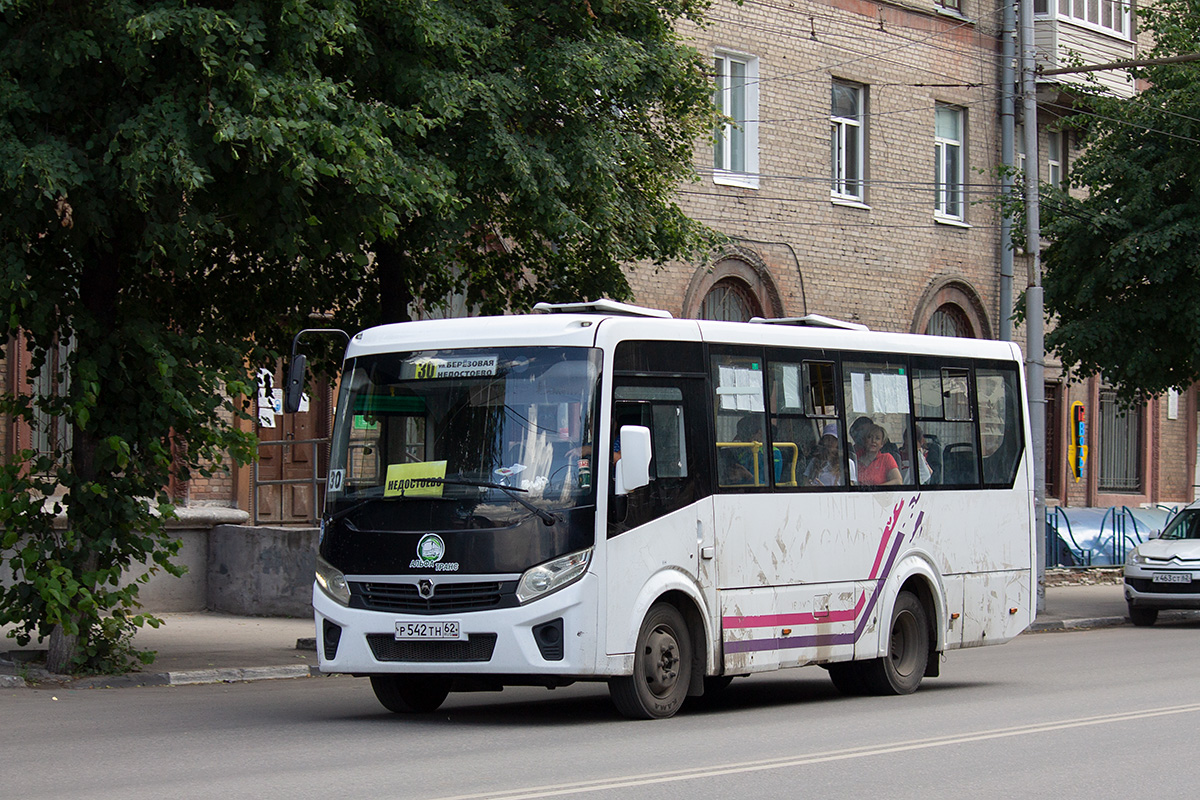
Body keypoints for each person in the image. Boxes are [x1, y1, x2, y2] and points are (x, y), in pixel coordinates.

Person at [805, 422, 844, 487]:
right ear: (823, 441)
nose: (830, 442)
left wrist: (825, 490)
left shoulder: (846, 463)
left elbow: (850, 493)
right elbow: (805, 483)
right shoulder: (814, 461)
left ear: (839, 442)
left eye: (833, 439)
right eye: (827, 438)